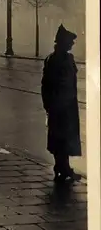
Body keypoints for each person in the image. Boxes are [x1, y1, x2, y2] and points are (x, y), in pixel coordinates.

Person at [41, 24, 81, 181]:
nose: (72, 44)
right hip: (59, 105)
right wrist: (48, 103)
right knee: (60, 136)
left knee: (65, 136)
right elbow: (47, 84)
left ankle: (63, 167)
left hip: (67, 104)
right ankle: (61, 167)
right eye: (70, 42)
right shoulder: (55, 60)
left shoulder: (64, 58)